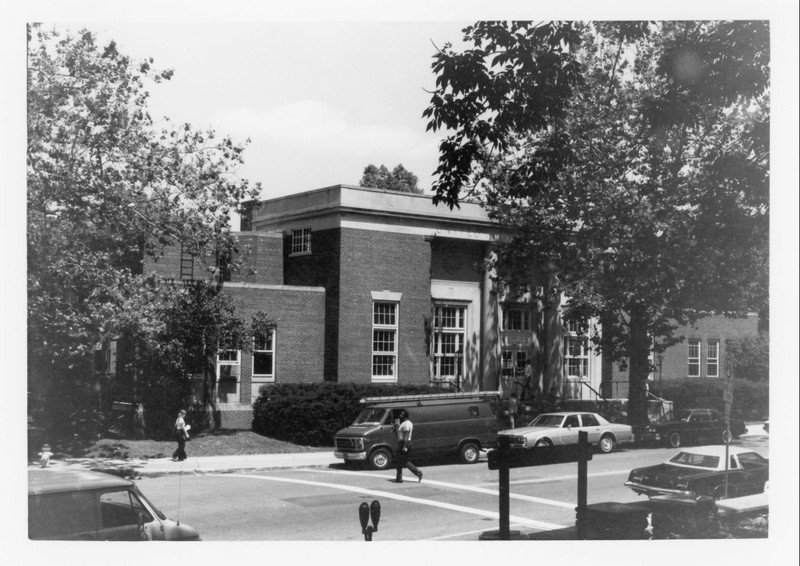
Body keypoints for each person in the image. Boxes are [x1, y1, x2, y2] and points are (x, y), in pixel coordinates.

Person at [394, 410, 422, 483]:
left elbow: (406, 436)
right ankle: (399, 478)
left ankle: (417, 473)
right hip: (403, 443)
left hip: (405, 443)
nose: (400, 416)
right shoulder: (403, 423)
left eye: (402, 415)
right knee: (401, 461)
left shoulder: (407, 424)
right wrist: (396, 428)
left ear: (405, 416)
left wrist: (404, 446)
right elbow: (400, 434)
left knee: (402, 461)